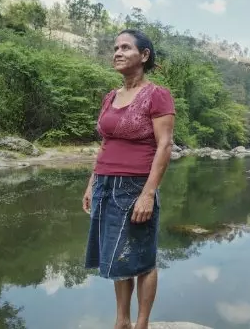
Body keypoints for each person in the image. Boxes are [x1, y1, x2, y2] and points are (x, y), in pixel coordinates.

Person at [82, 29, 175, 329]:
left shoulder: (156, 95)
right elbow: (106, 144)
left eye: (125, 47)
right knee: (115, 257)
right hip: (105, 184)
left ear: (144, 56)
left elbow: (165, 145)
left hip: (135, 186)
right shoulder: (111, 96)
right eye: (115, 47)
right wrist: (91, 183)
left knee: (142, 258)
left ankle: (142, 323)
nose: (117, 52)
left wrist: (149, 193)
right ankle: (121, 322)